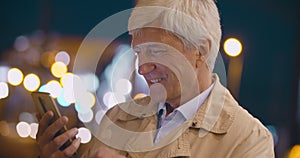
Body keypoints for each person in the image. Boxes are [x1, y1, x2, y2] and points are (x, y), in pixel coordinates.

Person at [37, 0, 275, 157]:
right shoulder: (117, 118)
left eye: (157, 51)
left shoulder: (249, 142)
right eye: (139, 52)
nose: (142, 68)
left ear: (200, 51)